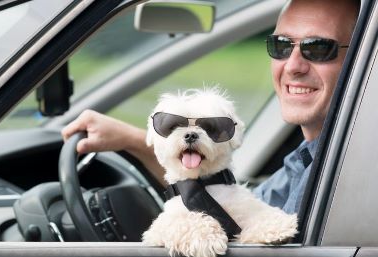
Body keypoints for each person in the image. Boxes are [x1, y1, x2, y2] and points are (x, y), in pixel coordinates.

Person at [62, 0, 360, 215]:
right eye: (281, 45)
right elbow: (229, 217)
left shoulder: (353, 170)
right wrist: (134, 140)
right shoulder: (309, 158)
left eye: (318, 48)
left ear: (363, 59)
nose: (293, 65)